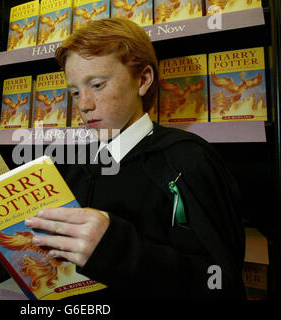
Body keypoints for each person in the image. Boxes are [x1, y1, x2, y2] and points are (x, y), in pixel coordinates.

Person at [24, 18, 246, 299]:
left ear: (142, 80)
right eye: (75, 92)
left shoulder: (189, 160)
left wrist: (118, 250)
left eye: (98, 85)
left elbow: (220, 283)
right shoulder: (70, 167)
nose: (83, 104)